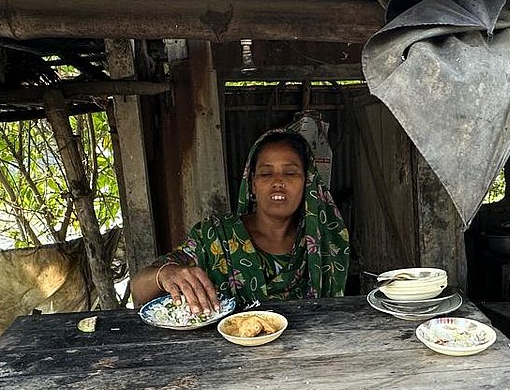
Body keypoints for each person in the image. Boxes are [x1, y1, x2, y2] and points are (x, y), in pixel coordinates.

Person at [131, 128, 349, 310]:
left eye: (290, 173)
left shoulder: (322, 245)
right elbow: (139, 292)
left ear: (307, 183)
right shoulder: (216, 235)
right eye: (266, 173)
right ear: (253, 184)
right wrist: (164, 274)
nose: (278, 182)